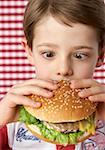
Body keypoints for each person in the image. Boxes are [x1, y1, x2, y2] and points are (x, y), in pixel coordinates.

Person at [0, 0, 105, 149]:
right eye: (48, 54)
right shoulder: (10, 119)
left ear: (100, 56)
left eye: (80, 55)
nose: (63, 70)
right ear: (29, 51)